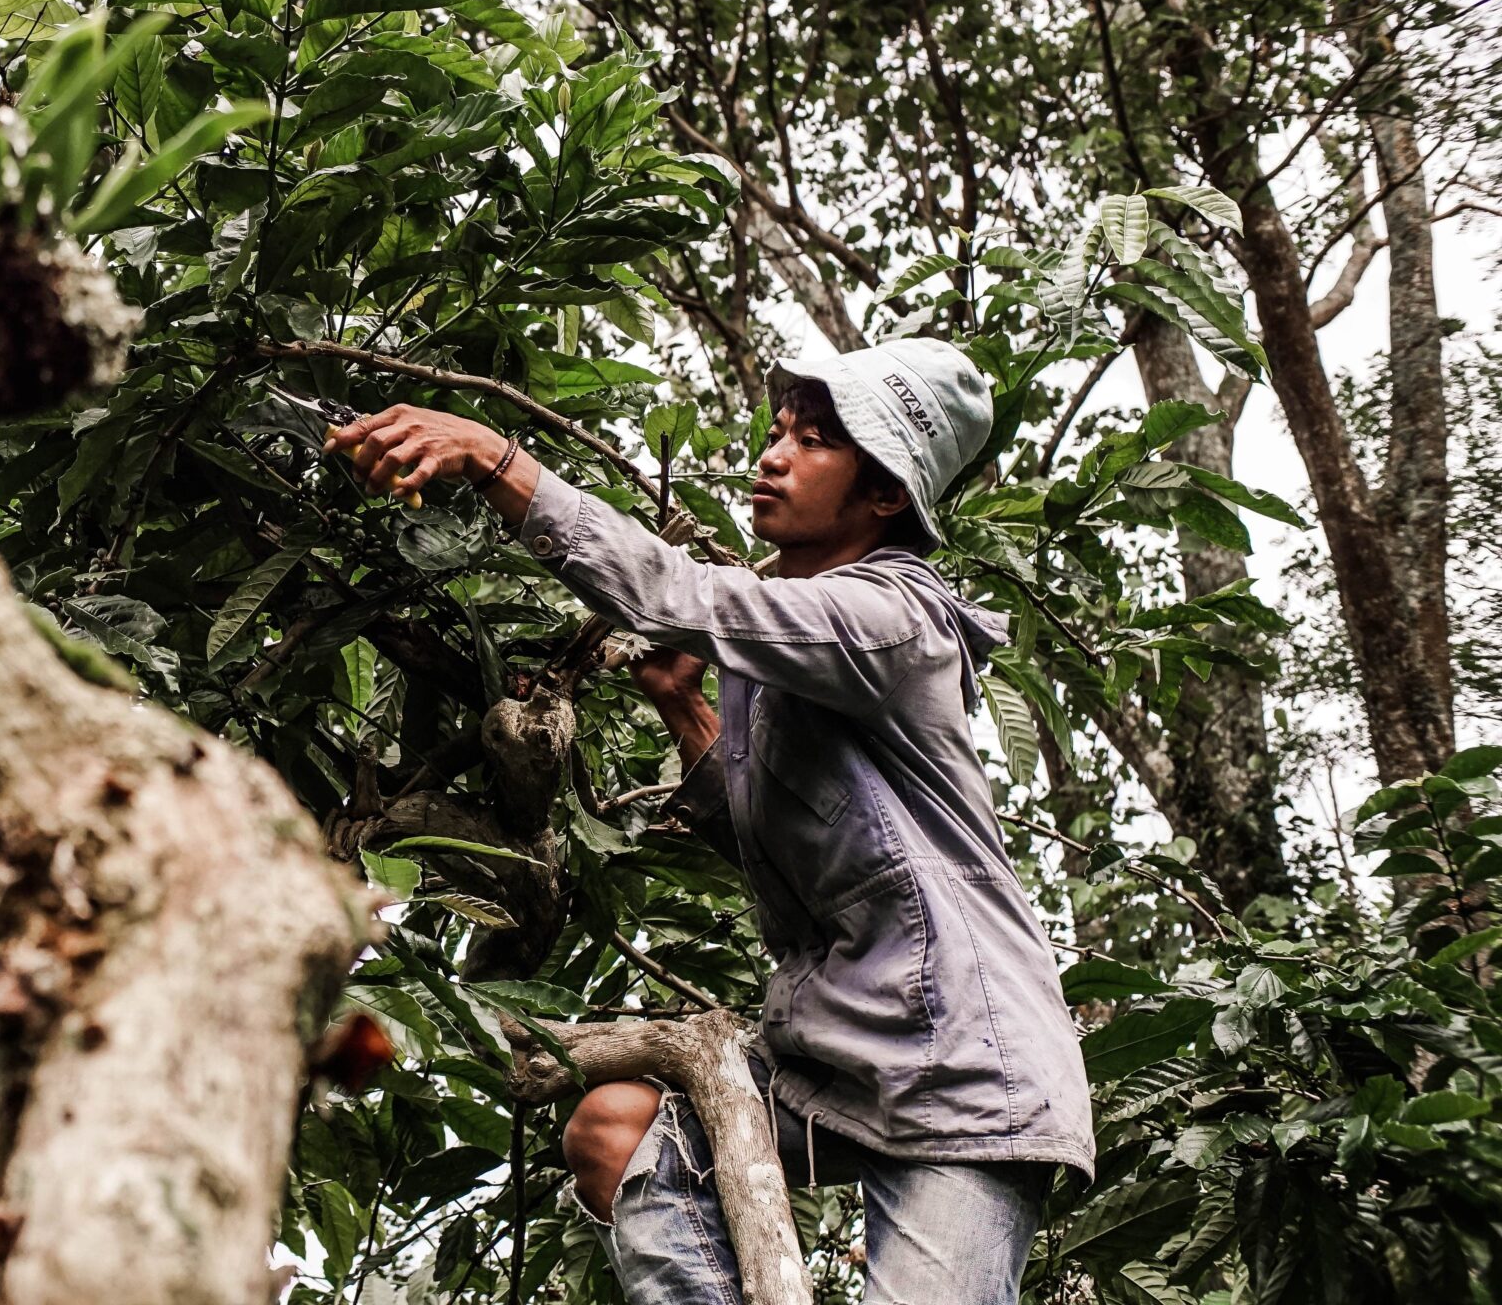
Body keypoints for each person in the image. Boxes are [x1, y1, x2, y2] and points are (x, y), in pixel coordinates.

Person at [320, 339, 1091, 1305]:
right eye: (778, 433)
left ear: (885, 496)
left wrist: (499, 460)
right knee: (617, 1130)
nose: (772, 456)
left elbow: (678, 594)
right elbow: (788, 846)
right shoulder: (792, 652)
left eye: (813, 443)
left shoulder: (894, 616)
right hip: (839, 1053)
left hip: (965, 1069)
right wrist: (688, 716)